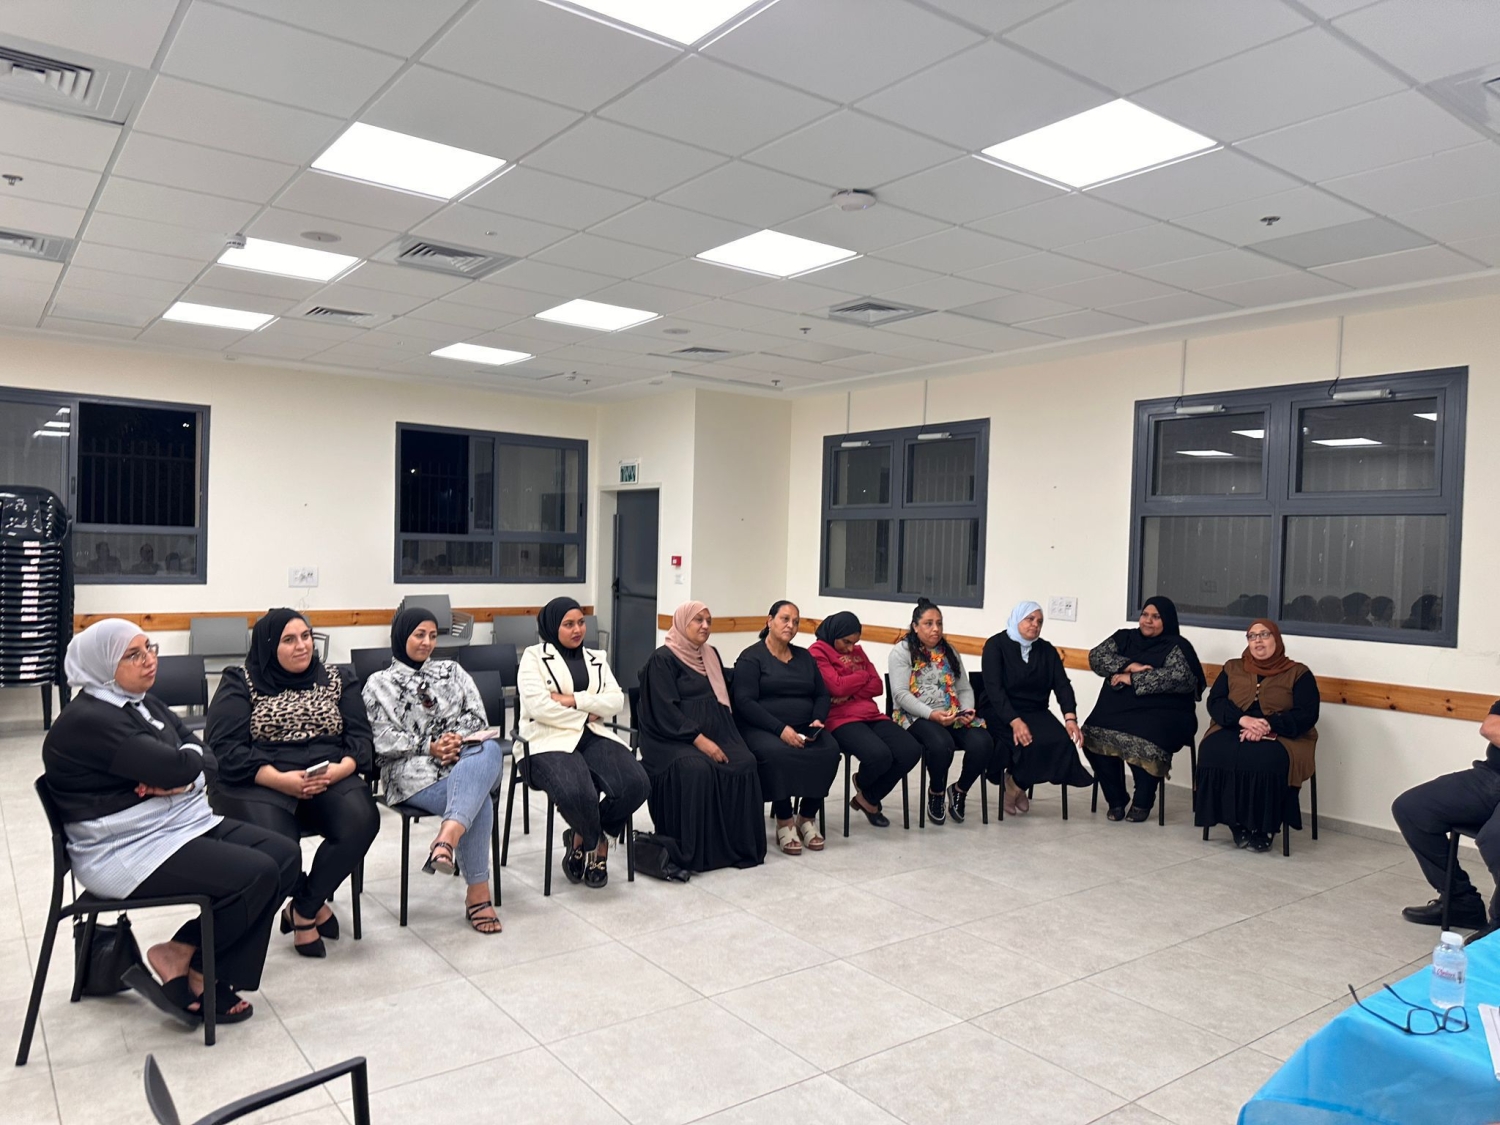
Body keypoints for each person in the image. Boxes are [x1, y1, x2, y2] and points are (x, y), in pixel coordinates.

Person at [42, 620, 298, 1025]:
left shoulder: (140, 701)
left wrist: (182, 775)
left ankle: (180, 951)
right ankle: (206, 973)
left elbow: (205, 756)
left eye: (150, 648)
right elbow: (180, 763)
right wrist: (182, 769)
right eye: (134, 654)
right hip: (123, 850)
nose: (149, 660)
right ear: (102, 666)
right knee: (258, 874)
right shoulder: (90, 719)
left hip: (173, 825)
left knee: (284, 857)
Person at [205, 609, 379, 958]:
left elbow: (361, 738)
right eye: (289, 640)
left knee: (362, 820)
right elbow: (224, 749)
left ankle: (303, 908)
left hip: (327, 773)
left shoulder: (338, 678)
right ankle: (308, 905)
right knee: (279, 845)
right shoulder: (241, 681)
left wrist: (342, 769)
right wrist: (278, 780)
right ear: (269, 646)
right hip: (256, 778)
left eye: (306, 636)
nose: (302, 646)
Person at [362, 607, 504, 932]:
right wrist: (430, 746)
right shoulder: (379, 684)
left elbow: (477, 717)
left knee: (490, 748)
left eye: (432, 636)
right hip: (412, 773)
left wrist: (454, 740)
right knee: (479, 800)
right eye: (419, 635)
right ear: (401, 636)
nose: (427, 642)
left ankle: (446, 838)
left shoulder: (451, 671)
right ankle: (478, 895)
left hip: (464, 758)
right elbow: (382, 739)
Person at [517, 596, 648, 888]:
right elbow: (539, 707)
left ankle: (580, 836)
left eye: (581, 622)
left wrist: (572, 699)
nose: (577, 630)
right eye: (568, 624)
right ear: (553, 626)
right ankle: (597, 843)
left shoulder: (596, 658)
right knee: (578, 792)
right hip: (546, 739)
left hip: (591, 735)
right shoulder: (533, 657)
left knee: (637, 783)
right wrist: (587, 713)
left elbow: (615, 700)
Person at [636, 602, 765, 871]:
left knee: (746, 762)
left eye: (709, 621)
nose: (705, 626)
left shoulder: (710, 654)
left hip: (718, 731)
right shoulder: (663, 659)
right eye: (698, 620)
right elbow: (664, 711)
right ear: (683, 622)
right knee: (697, 769)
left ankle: (734, 848)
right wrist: (700, 740)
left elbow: (725, 688)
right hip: (670, 739)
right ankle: (697, 851)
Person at [1193, 620, 1319, 852]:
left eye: (1264, 635)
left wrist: (1267, 726)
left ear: (1276, 639)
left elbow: (1307, 713)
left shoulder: (1299, 673)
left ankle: (1264, 827)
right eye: (1252, 636)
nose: (1258, 641)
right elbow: (1216, 702)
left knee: (1266, 758)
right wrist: (1243, 720)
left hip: (1283, 732)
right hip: (1234, 725)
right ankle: (1235, 823)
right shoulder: (1232, 667)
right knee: (1213, 750)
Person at [1082, 597, 1206, 822]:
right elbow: (1096, 657)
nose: (1148, 621)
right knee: (1091, 735)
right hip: (1118, 710)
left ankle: (1143, 799)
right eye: (1145, 615)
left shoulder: (1177, 646)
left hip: (1165, 714)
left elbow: (1182, 678)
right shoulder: (1125, 638)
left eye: (1156, 617)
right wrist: (1129, 665)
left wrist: (1133, 679)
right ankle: (1116, 799)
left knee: (1144, 737)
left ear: (1167, 620)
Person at [732, 600, 840, 854]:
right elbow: (744, 702)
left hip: (804, 725)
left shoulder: (804, 657)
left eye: (796, 621)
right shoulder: (751, 657)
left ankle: (807, 816)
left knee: (829, 750)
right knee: (777, 754)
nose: (791, 625)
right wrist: (780, 729)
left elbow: (822, 695)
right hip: (762, 727)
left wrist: (817, 719)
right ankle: (784, 819)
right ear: (769, 621)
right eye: (785, 619)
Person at [1391, 703, 1500, 935]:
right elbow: (1491, 727)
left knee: (1495, 838)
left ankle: (1499, 927)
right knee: (1412, 809)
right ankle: (1461, 902)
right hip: (1491, 775)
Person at [810, 611, 922, 829]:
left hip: (870, 714)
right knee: (879, 755)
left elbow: (878, 686)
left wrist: (849, 691)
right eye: (846, 642)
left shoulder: (858, 651)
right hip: (839, 718)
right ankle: (866, 788)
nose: (850, 648)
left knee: (910, 750)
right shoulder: (817, 652)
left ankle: (868, 797)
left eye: (854, 642)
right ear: (834, 634)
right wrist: (862, 677)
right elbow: (836, 687)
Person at [980, 601, 1092, 816]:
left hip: (1035, 710)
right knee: (1028, 742)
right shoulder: (995, 645)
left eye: (1039, 621)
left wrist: (1070, 719)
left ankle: (1014, 787)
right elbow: (994, 689)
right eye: (1030, 619)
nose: (1035, 625)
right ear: (1017, 619)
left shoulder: (1046, 650)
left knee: (1061, 741)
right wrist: (1014, 720)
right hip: (999, 710)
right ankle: (1017, 785)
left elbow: (1062, 685)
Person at [888, 598, 993, 825]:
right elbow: (900, 694)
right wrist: (931, 715)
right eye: (928, 623)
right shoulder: (902, 652)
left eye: (939, 623)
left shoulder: (949, 651)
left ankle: (959, 790)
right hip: (916, 716)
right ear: (915, 626)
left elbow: (963, 687)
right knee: (941, 744)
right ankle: (936, 792)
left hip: (952, 713)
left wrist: (966, 709)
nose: (935, 629)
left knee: (983, 742)